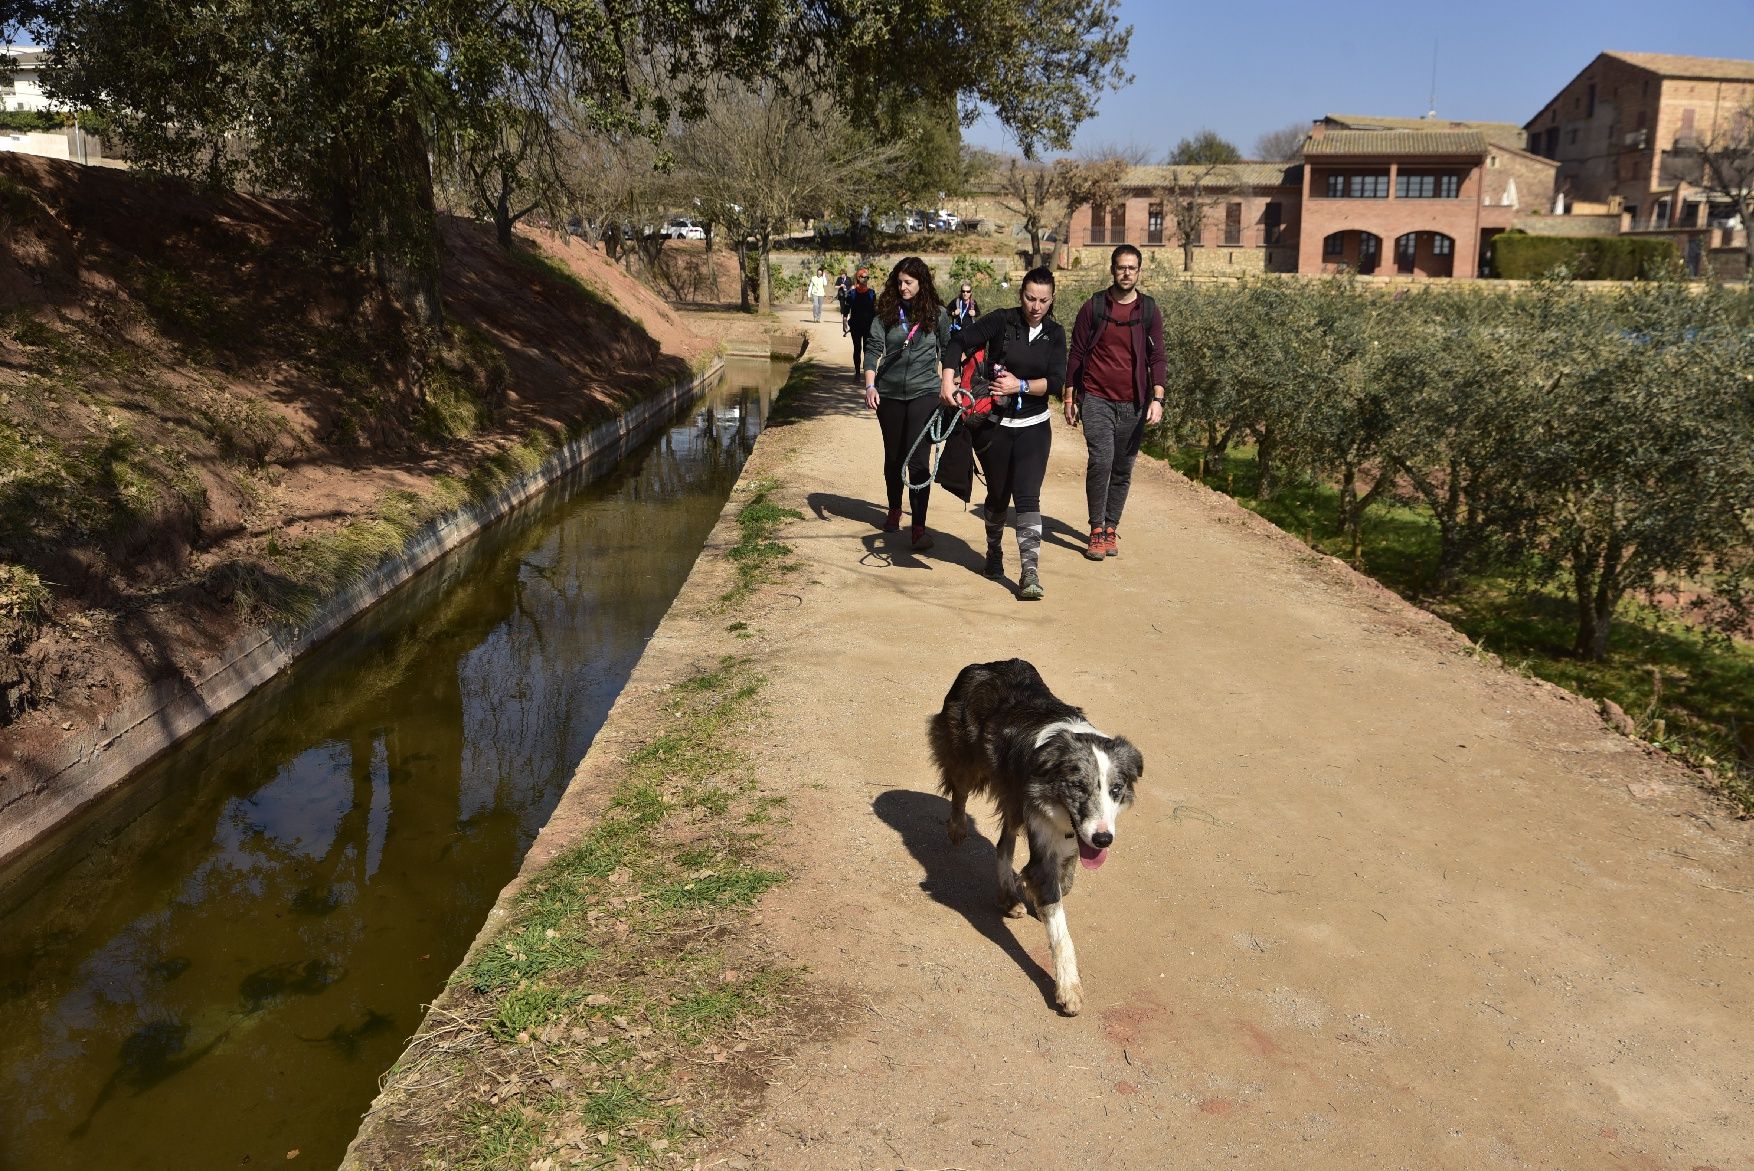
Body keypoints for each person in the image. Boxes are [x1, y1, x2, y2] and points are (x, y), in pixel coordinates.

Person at [939, 266, 1067, 601]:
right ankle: (994, 551)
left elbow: (1055, 382)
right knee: (997, 496)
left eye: (1042, 300)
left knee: (1027, 495)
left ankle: (1029, 571)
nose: (1035, 306)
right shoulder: (1001, 321)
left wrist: (1020, 385)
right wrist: (946, 380)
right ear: (1020, 294)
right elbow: (959, 340)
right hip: (994, 427)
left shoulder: (1055, 333)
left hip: (1034, 427)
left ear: (1052, 300)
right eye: (1029, 298)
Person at [1063, 243, 1166, 561]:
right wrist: (1069, 395)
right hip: (1096, 398)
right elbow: (1077, 352)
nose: (1126, 272)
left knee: (1123, 468)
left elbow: (1157, 356)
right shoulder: (1093, 307)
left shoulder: (1148, 310)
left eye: (1132, 268)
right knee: (1102, 461)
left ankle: (1111, 526)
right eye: (1121, 267)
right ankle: (1096, 529)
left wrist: (1158, 398)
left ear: (1139, 271)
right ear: (1112, 269)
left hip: (1134, 402)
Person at [864, 257, 952, 551]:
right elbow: (873, 349)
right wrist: (869, 385)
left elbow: (949, 350)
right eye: (899, 282)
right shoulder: (885, 314)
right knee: (894, 458)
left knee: (917, 461)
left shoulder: (938, 315)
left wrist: (948, 384)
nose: (903, 287)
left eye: (909, 282)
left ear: (921, 283)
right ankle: (894, 508)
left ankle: (918, 527)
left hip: (924, 394)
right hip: (888, 395)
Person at [846, 267, 877, 376]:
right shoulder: (852, 293)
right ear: (858, 278)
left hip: (868, 326)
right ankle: (858, 372)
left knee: (867, 350)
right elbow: (846, 309)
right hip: (855, 326)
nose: (866, 279)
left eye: (867, 277)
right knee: (857, 348)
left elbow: (875, 311)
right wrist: (845, 321)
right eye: (864, 277)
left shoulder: (872, 293)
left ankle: (867, 373)